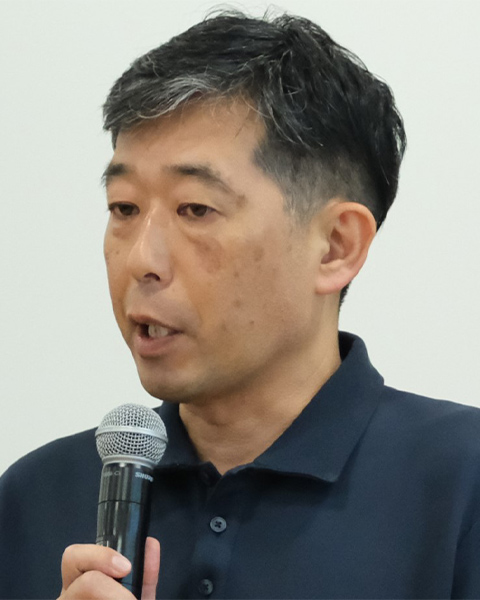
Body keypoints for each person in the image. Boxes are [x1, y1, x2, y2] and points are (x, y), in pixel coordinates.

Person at [1, 10, 480, 600]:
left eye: (195, 209)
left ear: (336, 246)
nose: (141, 260)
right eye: (124, 208)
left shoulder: (461, 484)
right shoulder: (35, 498)